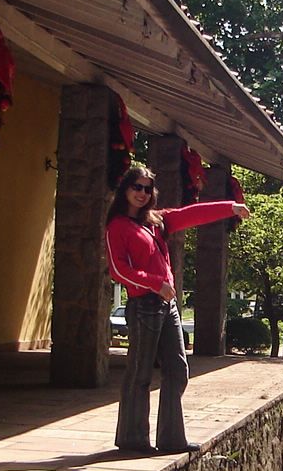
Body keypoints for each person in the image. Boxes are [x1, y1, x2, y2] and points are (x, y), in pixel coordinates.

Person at [105, 164, 250, 453]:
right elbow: (118, 270)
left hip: (166, 305)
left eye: (147, 189)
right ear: (125, 189)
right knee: (140, 372)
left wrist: (230, 207)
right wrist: (155, 283)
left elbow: (190, 215)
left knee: (178, 369)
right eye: (137, 187)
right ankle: (133, 439)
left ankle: (172, 439)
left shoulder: (157, 221)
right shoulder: (117, 226)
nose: (142, 193)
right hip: (144, 305)